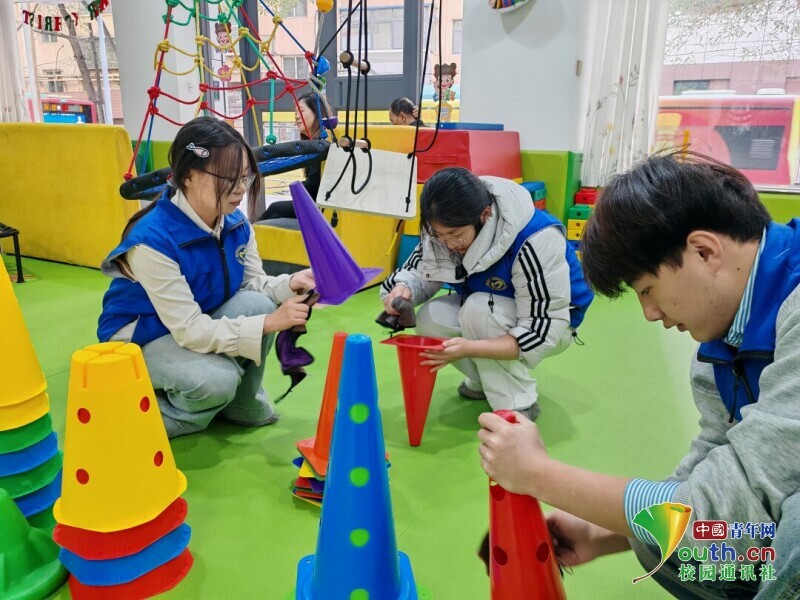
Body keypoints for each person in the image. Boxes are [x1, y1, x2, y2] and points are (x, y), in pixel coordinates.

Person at [477, 151, 800, 598]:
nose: (650, 313)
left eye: (648, 289)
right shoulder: (720, 344)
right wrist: (600, 532)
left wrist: (538, 474)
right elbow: (708, 482)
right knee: (655, 537)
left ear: (704, 251)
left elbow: (716, 514)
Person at [97, 117, 316, 438]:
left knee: (259, 303)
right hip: (140, 338)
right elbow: (189, 330)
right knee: (216, 381)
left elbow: (252, 284)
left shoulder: (234, 222)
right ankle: (138, 418)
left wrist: (291, 283)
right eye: (229, 178)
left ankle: (240, 403)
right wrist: (269, 324)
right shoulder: (151, 240)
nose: (241, 189)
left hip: (193, 318)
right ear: (188, 176)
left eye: (246, 176)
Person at [380, 167, 594, 420]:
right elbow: (418, 271)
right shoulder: (442, 231)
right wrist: (402, 290)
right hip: (489, 311)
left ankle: (517, 402)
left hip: (554, 324)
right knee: (431, 317)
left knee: (479, 309)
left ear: (485, 215)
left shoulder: (536, 238)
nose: (449, 244)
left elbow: (542, 330)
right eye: (440, 235)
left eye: (456, 235)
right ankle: (486, 381)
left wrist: (470, 348)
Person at [258, 92, 328, 220]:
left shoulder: (319, 145)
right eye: (295, 112)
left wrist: (297, 188)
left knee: (274, 209)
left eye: (301, 111)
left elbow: (313, 187)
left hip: (317, 207)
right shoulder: (313, 144)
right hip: (316, 203)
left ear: (316, 112)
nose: (296, 116)